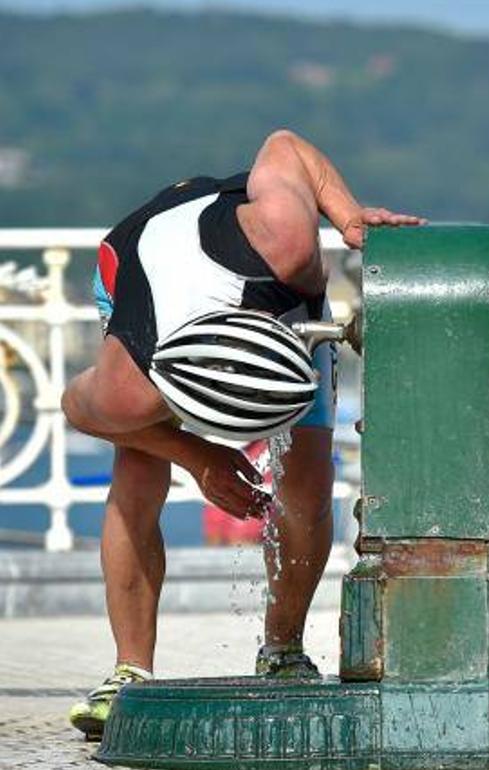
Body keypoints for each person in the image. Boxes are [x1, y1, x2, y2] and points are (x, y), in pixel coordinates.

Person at [60, 129, 421, 739]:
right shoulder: (134, 383)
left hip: (260, 276)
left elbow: (285, 144)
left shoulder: (288, 243)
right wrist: (199, 458)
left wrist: (347, 212)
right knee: (138, 468)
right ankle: (128, 670)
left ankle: (282, 649)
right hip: (133, 267)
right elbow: (77, 408)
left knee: (307, 481)